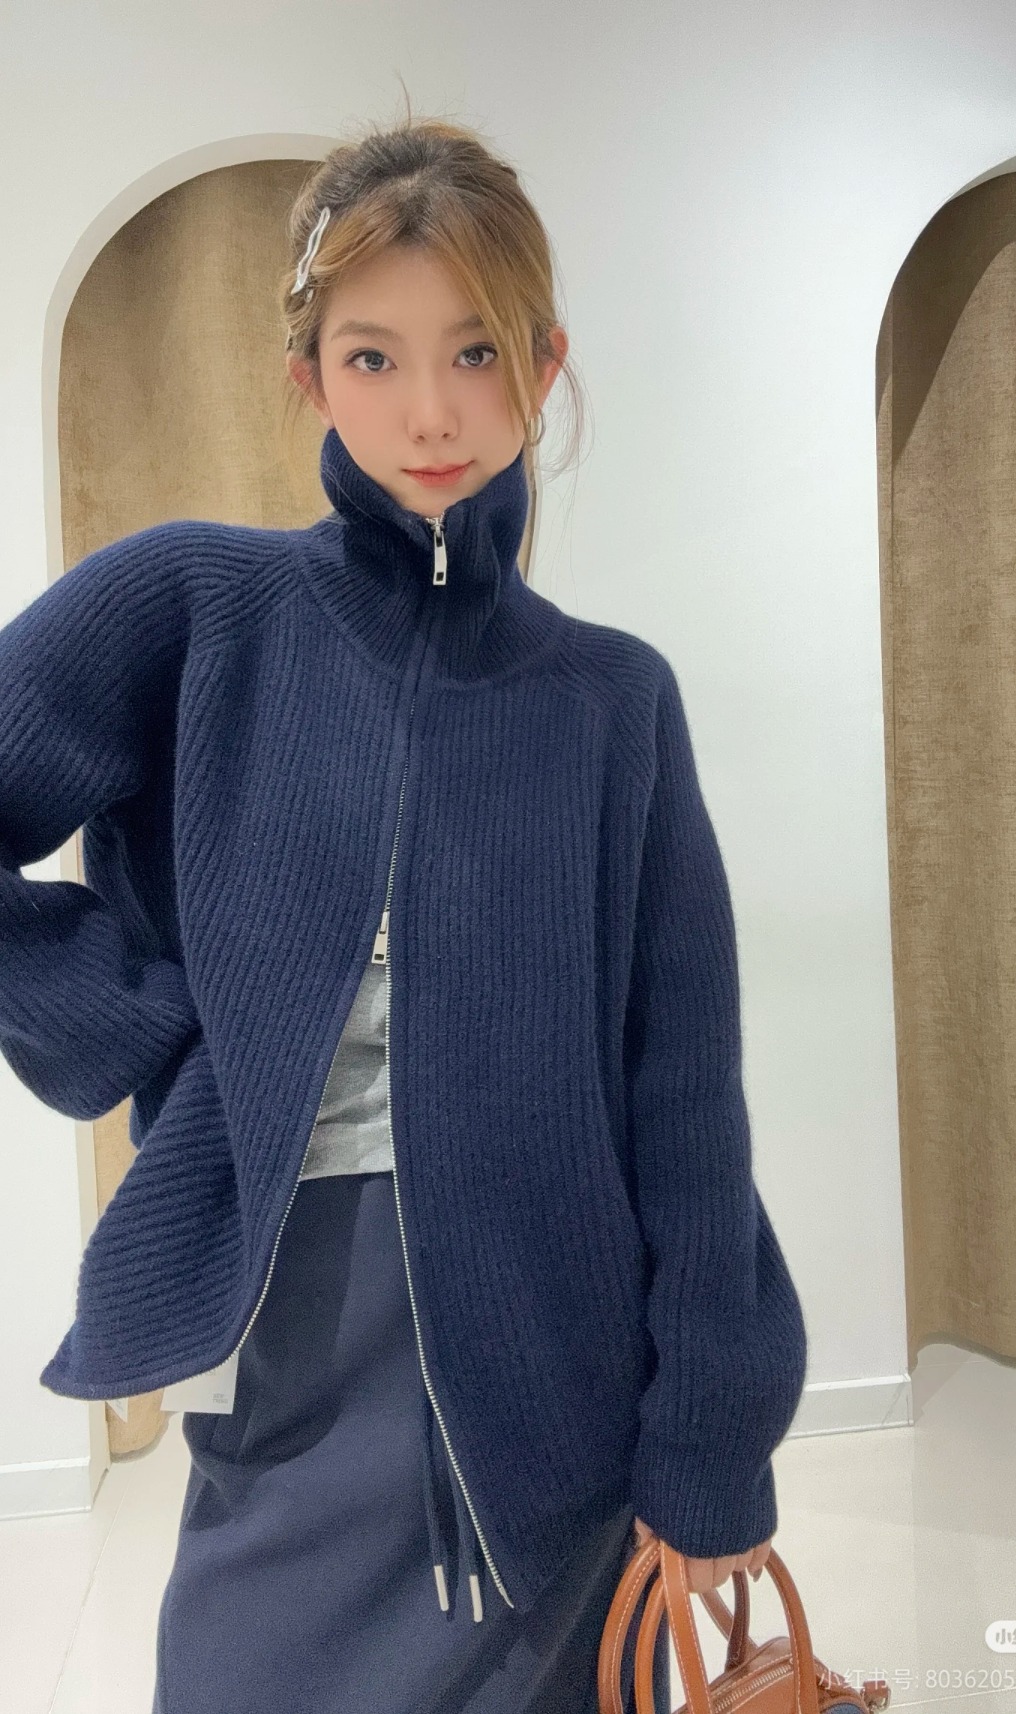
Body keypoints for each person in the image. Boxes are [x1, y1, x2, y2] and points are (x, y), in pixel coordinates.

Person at [0, 107, 808, 1713]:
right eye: (373, 357)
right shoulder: (199, 607)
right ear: (307, 372)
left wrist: (711, 1436)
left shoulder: (611, 700)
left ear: (545, 364)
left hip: (562, 1369)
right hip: (298, 1328)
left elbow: (683, 1093)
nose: (431, 411)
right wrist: (154, 1021)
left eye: (476, 352)